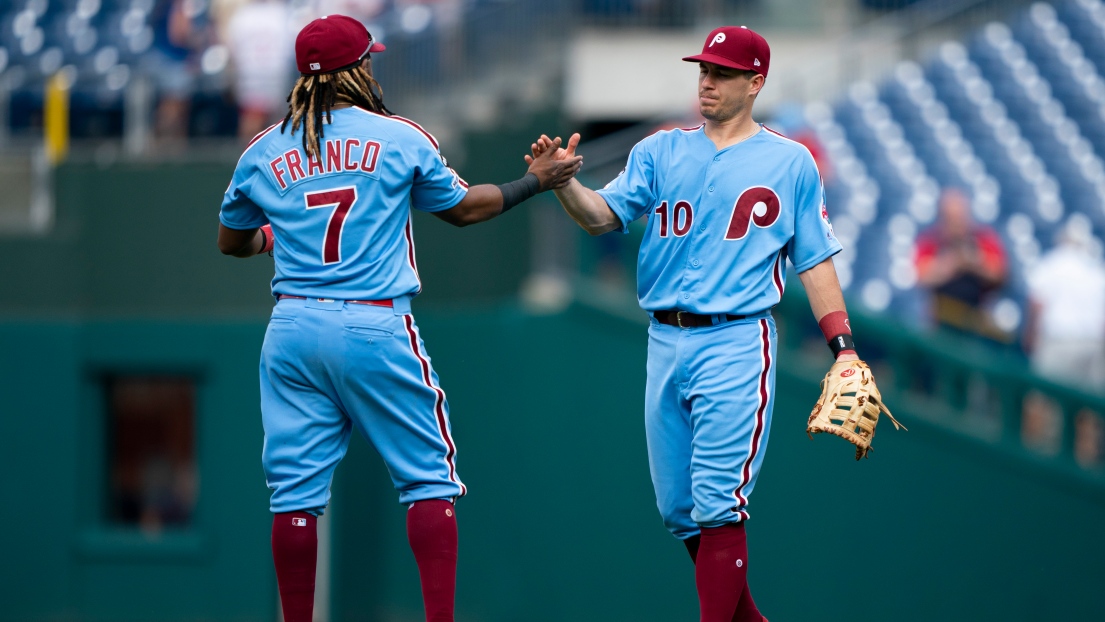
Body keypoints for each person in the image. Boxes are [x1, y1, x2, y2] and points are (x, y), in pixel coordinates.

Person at [216, 15, 581, 622]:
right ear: (356, 70)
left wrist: (272, 242)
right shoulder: (398, 136)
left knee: (294, 497)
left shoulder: (262, 150)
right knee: (428, 479)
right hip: (371, 321)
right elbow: (464, 210)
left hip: (292, 328)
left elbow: (232, 242)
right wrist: (534, 181)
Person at [530, 26, 863, 622]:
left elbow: (813, 260)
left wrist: (842, 347)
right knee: (678, 509)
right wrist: (563, 185)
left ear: (755, 83)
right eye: (704, 69)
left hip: (736, 338)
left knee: (717, 503)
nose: (707, 80)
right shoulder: (660, 150)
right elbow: (602, 218)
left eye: (723, 73)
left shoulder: (790, 161)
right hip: (664, 337)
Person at [1025, 214, 1105, 391]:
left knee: (1044, 397)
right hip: (1091, 343)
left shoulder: (1052, 263)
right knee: (1087, 405)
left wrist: (1030, 334)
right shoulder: (1095, 269)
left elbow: (1037, 303)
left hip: (1057, 341)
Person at [914, 188, 1008, 338]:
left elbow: (999, 273)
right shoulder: (931, 241)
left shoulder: (983, 239)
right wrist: (951, 263)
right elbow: (921, 276)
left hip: (976, 321)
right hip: (941, 319)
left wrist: (974, 262)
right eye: (951, 218)